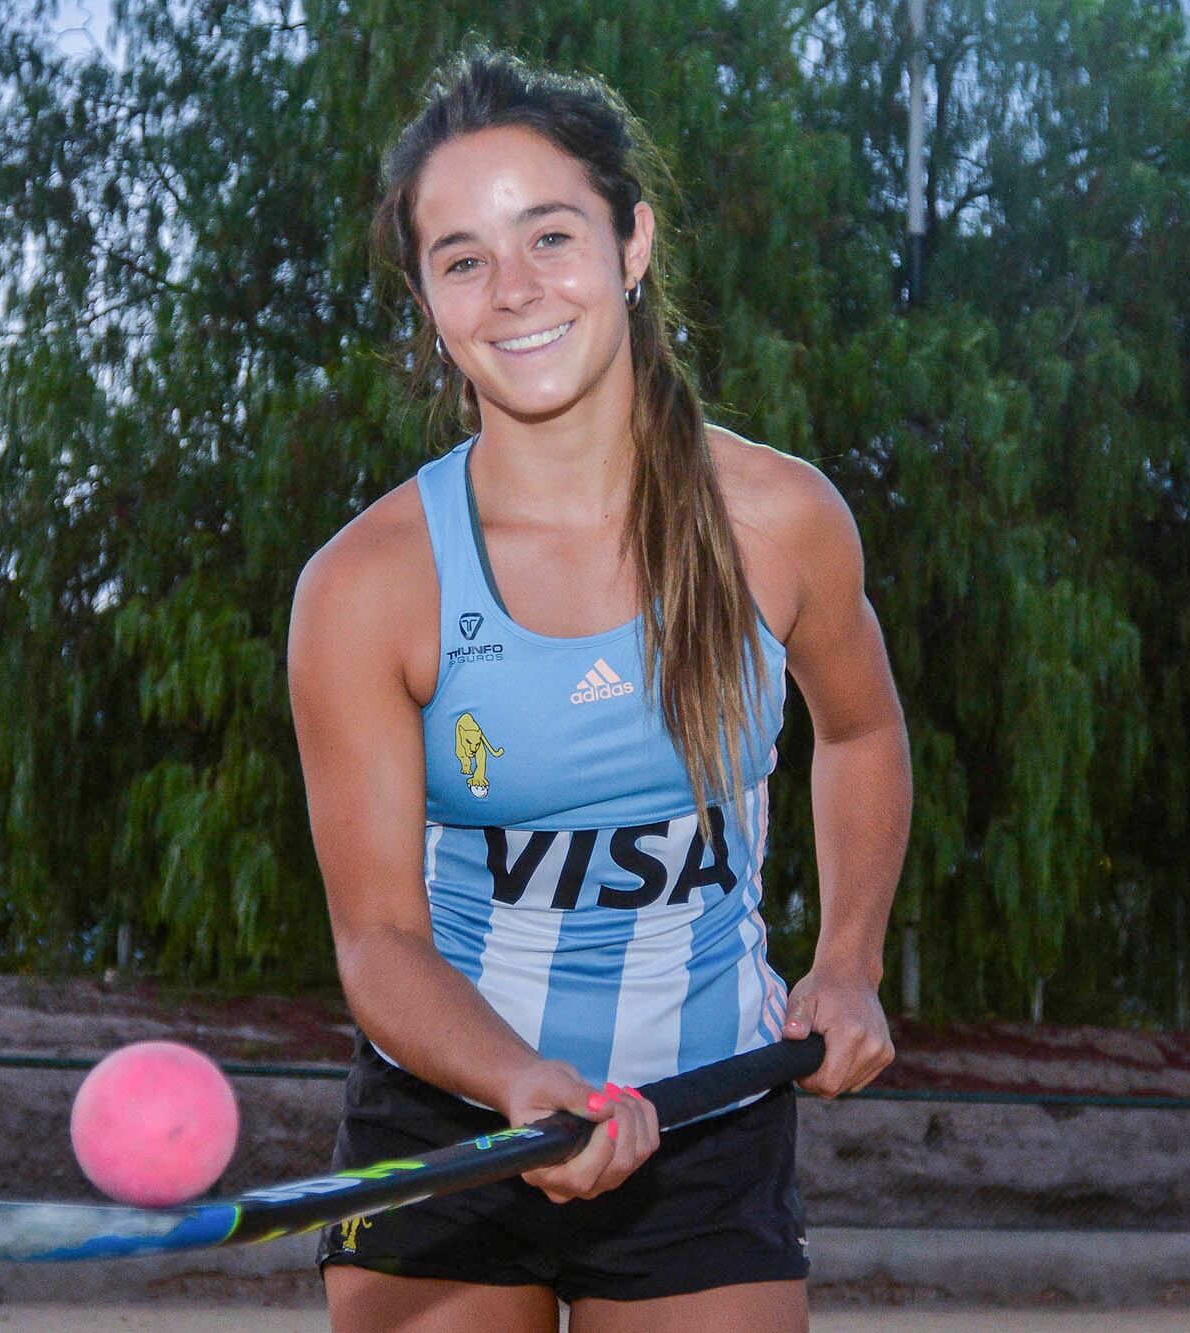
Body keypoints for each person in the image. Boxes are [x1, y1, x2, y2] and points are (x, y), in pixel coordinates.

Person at [287, 49, 910, 1333]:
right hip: (456, 1121)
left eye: (550, 235)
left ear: (632, 243)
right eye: (461, 257)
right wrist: (520, 1082)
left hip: (710, 1113)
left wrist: (847, 961)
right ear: (426, 298)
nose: (512, 291)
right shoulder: (365, 587)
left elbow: (860, 729)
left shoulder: (779, 520)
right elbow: (378, 941)